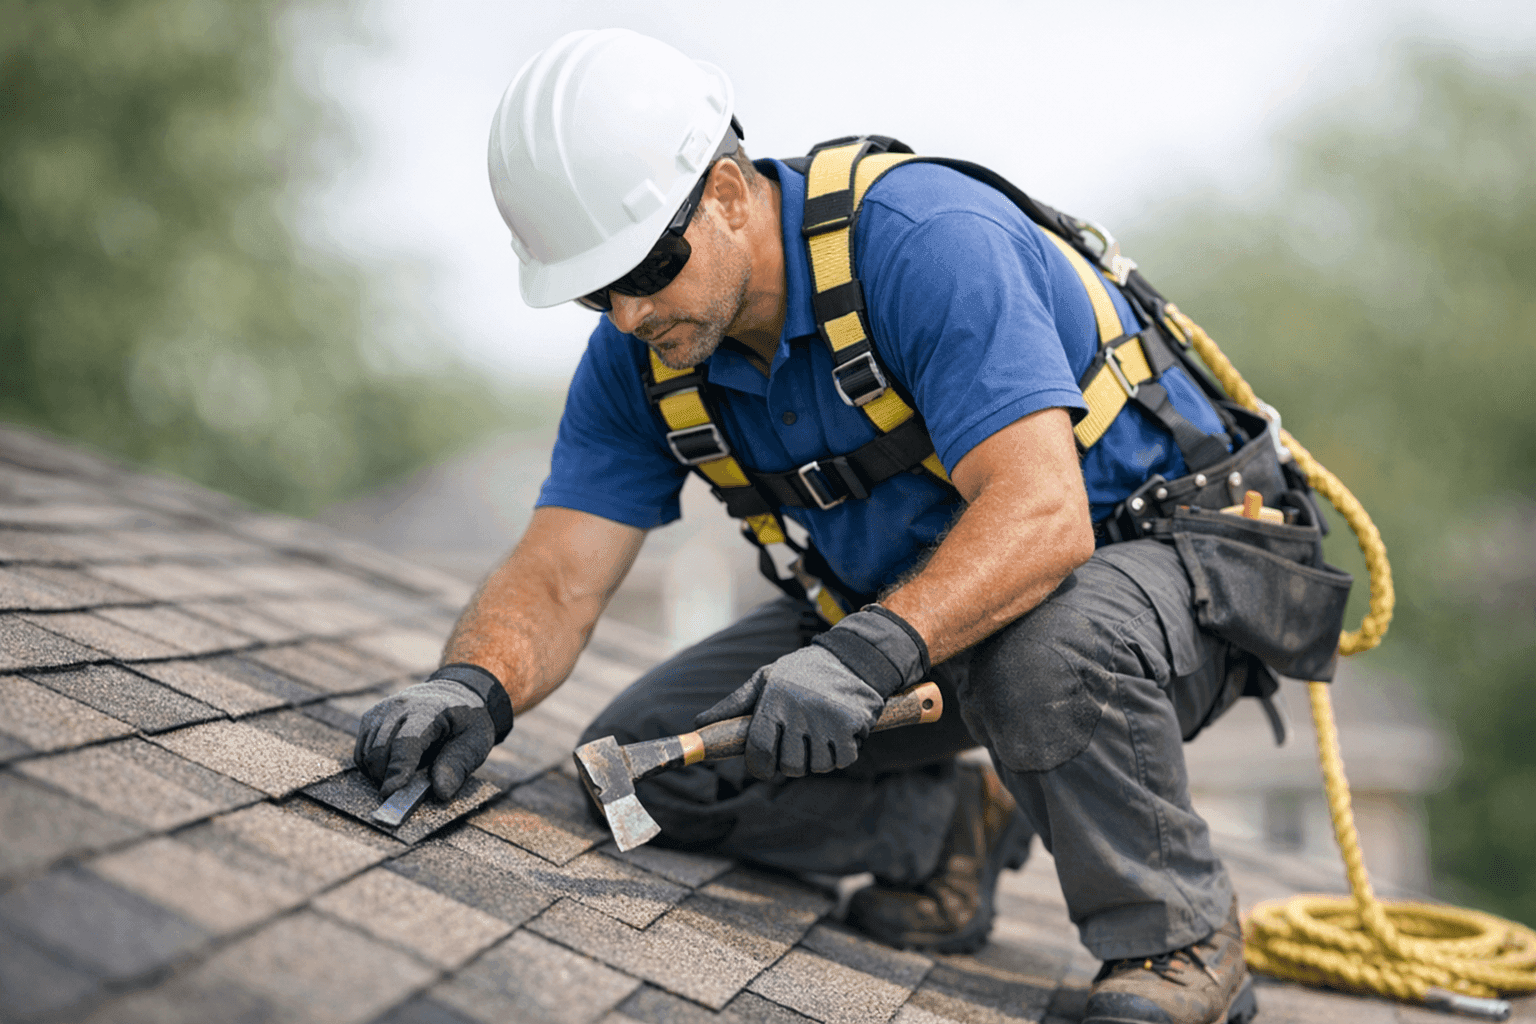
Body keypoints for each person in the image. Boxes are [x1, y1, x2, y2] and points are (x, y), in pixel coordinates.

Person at [357, 27, 1350, 1024]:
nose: (625, 312)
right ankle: (943, 829)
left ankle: (1180, 943)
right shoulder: (642, 355)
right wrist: (473, 683)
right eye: (592, 289)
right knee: (651, 766)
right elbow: (563, 568)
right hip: (927, 615)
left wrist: (867, 651)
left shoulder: (923, 241)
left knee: (1044, 652)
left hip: (1161, 573)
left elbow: (1041, 512)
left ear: (731, 194)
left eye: (648, 266)